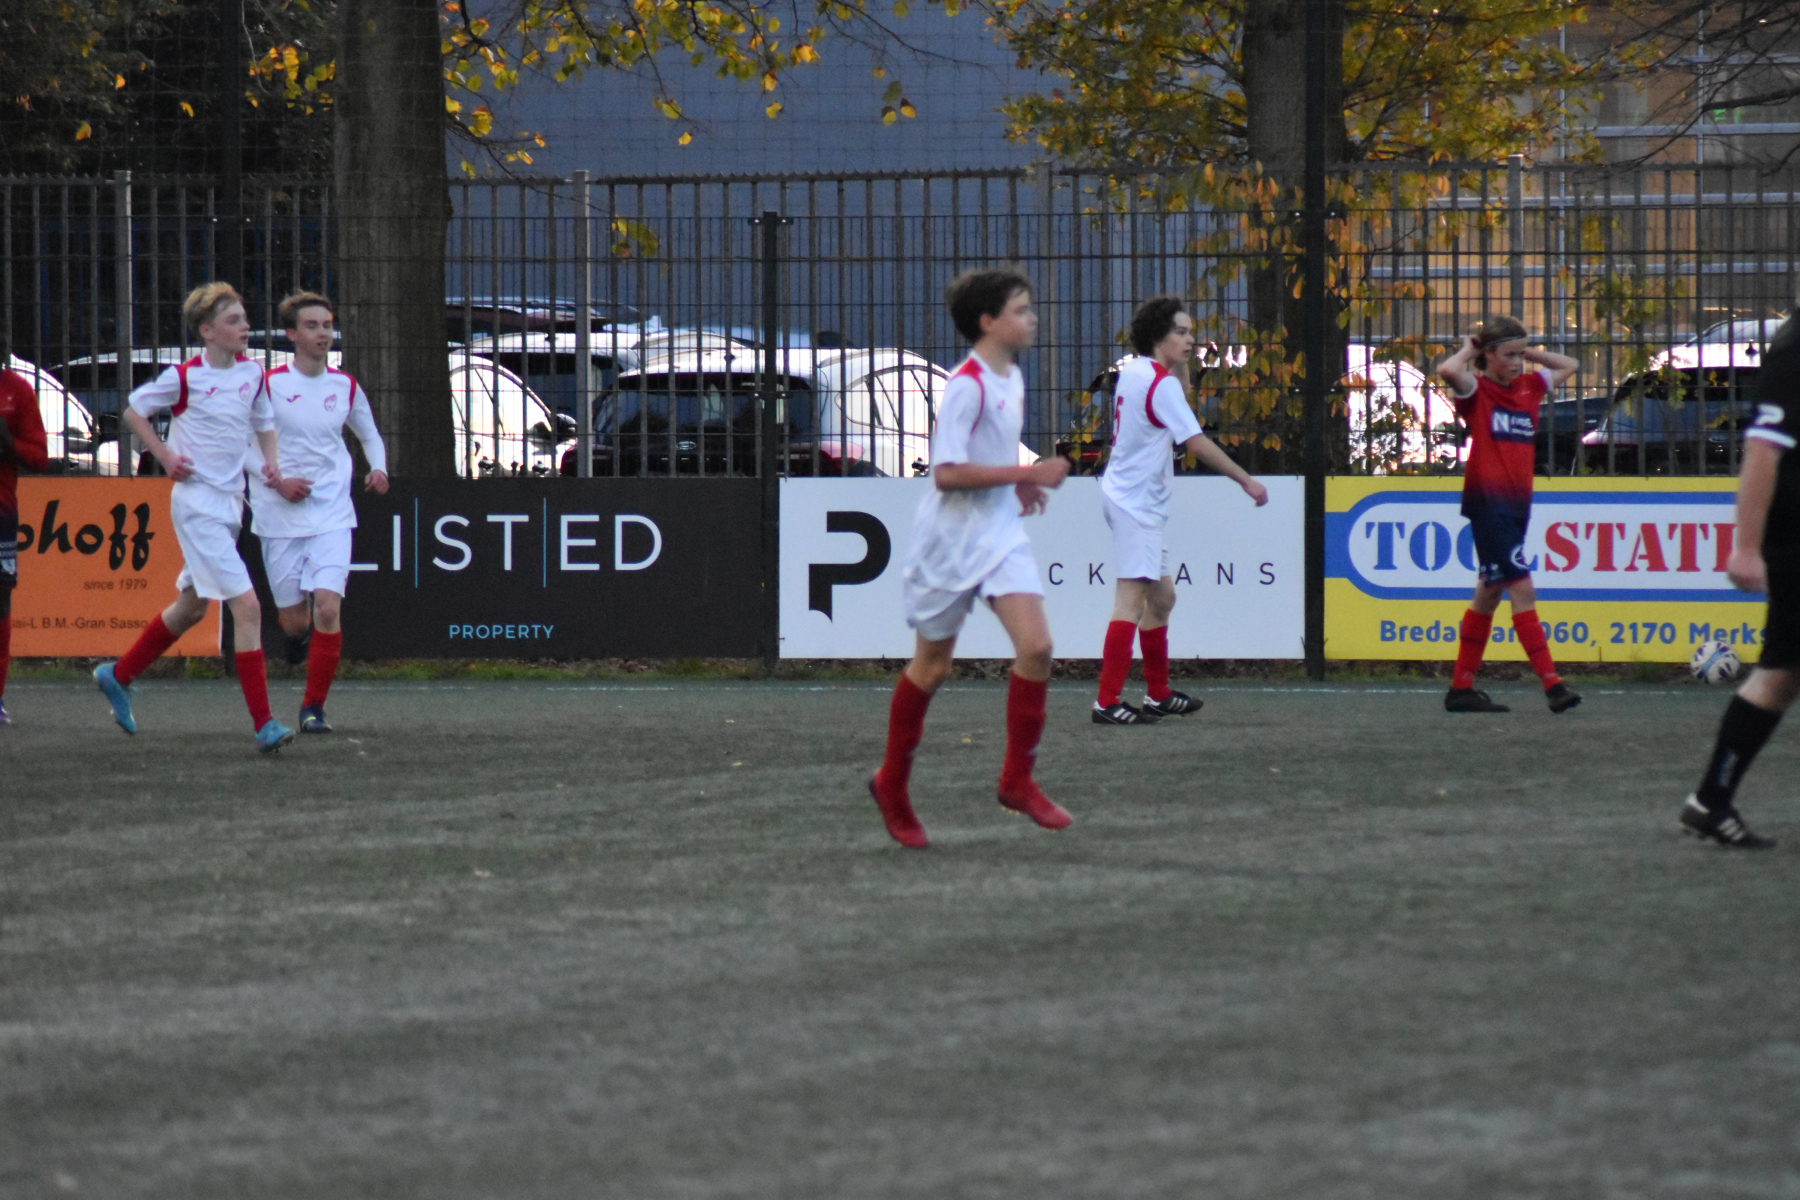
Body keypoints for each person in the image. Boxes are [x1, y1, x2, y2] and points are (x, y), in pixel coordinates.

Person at [866, 266, 1073, 849]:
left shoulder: (1012, 377)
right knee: (932, 668)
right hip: (950, 540)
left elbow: (990, 458)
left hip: (999, 533)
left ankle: (1016, 781)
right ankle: (891, 783)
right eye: (1020, 311)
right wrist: (1025, 473)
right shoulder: (967, 385)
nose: (1031, 319)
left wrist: (1018, 484)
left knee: (1037, 647)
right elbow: (948, 474)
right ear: (988, 322)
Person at [94, 282, 296, 753]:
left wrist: (271, 463)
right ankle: (264, 724)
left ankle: (117, 674)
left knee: (192, 606)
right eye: (233, 320)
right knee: (248, 607)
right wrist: (164, 455)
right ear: (207, 331)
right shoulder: (185, 377)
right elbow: (134, 412)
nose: (245, 327)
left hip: (229, 504)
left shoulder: (252, 374)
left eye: (244, 318)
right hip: (196, 504)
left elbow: (264, 424)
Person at [1093, 296, 1268, 725]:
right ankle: (1106, 702)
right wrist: (1245, 480)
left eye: (1191, 332)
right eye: (1182, 332)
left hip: (1129, 497)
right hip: (1135, 503)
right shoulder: (1160, 383)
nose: (1191, 340)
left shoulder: (1136, 371)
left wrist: (1181, 363)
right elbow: (1195, 440)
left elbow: (1178, 402)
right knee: (1130, 601)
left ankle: (1157, 695)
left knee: (1163, 598)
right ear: (1159, 336)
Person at [1675, 312, 1800, 849]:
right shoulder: (1795, 353)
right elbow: (1762, 449)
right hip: (1794, 537)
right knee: (1777, 674)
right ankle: (1710, 800)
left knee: (1781, 675)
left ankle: (1710, 800)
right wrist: (1745, 547)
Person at [250, 292, 388, 733]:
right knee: (296, 622)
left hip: (331, 512)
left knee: (328, 608)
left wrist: (379, 467)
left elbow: (369, 434)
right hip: (278, 514)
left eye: (327, 325)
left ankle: (313, 707)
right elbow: (242, 447)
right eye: (312, 326)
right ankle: (296, 636)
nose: (323, 333)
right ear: (292, 334)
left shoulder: (344, 385)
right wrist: (278, 481)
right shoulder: (268, 385)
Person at [1435, 318, 1582, 714]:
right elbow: (1448, 370)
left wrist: (1526, 349)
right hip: (1489, 505)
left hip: (1516, 508)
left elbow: (1570, 365)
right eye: (1509, 355)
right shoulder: (1477, 392)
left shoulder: (1529, 387)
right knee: (1522, 589)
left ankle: (1460, 689)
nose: (1518, 362)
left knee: (1488, 593)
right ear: (1489, 355)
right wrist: (1470, 348)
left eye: (1521, 355)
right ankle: (1553, 686)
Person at [0, 330, 51, 727]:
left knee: (0, 605)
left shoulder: (17, 390)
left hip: (1, 512)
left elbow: (39, 456)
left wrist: (9, 445)